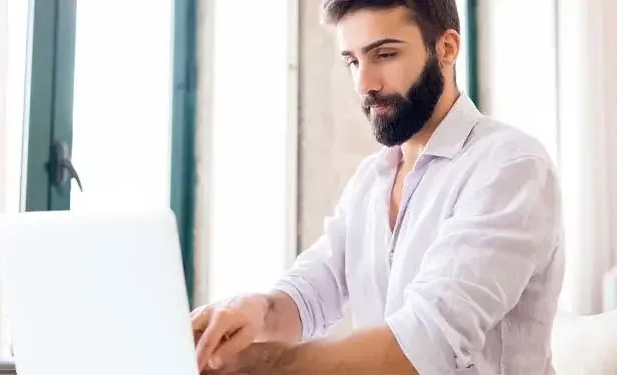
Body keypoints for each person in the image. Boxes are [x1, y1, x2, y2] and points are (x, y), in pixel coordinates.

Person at [191, 0, 565, 374]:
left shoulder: (509, 166)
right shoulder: (372, 179)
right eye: (353, 61)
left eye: (384, 54)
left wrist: (270, 365)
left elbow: (427, 342)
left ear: (446, 48)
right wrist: (255, 310)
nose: (364, 84)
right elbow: (313, 288)